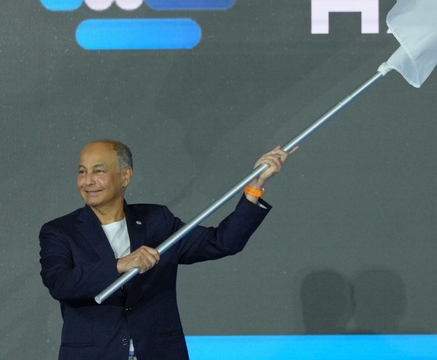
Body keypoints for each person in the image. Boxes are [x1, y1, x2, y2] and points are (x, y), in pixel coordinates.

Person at [39, 140, 287, 360]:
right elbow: (60, 283)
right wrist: (120, 265)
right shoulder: (60, 231)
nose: (87, 181)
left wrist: (255, 186)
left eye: (98, 171)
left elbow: (221, 241)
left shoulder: (157, 221)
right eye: (82, 172)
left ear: (125, 176)